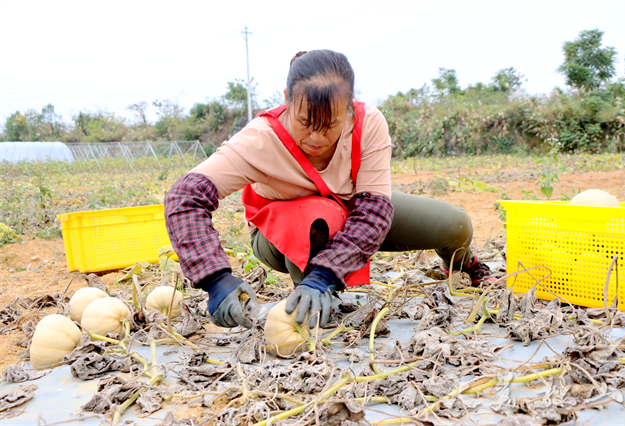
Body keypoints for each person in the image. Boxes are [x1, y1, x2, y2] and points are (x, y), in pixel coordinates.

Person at [164, 49, 495, 331]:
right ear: (287, 100)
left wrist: (327, 273)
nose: (317, 138)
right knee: (316, 214)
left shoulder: (368, 123)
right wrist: (215, 278)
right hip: (282, 237)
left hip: (353, 216)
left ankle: (462, 267)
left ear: (349, 108)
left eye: (331, 125)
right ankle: (307, 300)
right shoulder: (260, 139)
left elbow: (374, 213)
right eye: (305, 122)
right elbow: (184, 197)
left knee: (454, 224)